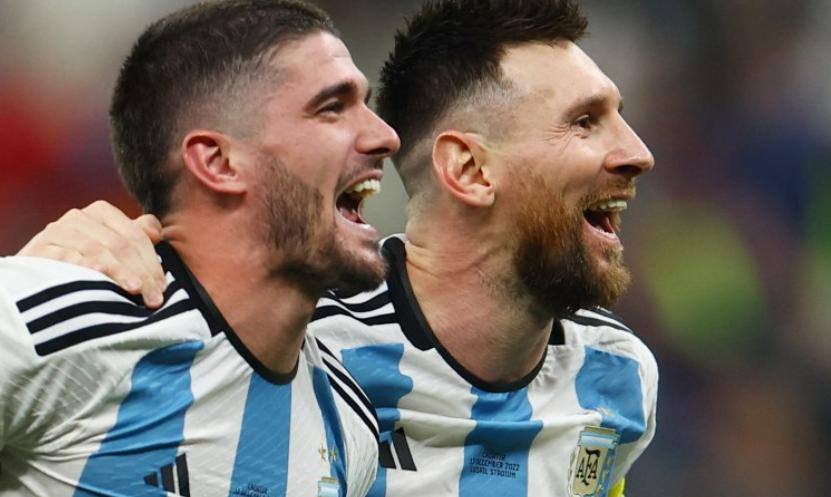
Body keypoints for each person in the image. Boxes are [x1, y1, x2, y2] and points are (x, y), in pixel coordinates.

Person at [18, 1, 659, 496]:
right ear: (468, 170)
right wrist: (51, 270)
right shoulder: (314, 345)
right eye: (583, 122)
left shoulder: (620, 378)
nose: (638, 153)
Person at [0, 0, 400, 495]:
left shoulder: (347, 420)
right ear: (219, 163)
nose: (386, 137)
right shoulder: (49, 325)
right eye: (332, 108)